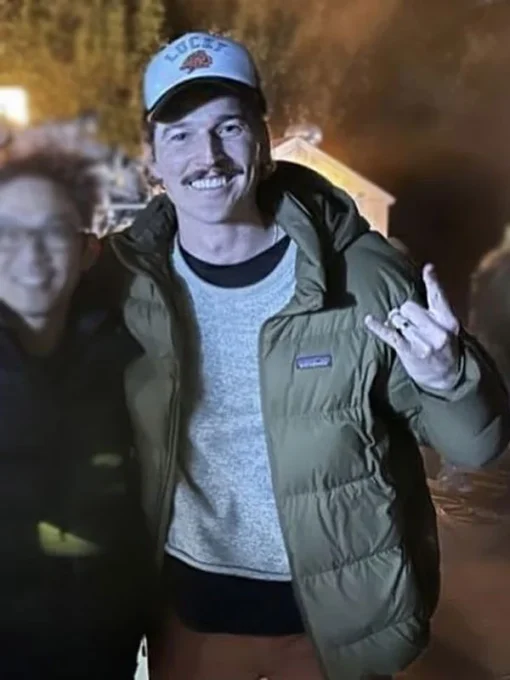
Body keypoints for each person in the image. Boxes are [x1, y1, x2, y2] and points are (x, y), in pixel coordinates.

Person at [110, 31, 510, 680]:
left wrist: (450, 378)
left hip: (331, 628)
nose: (208, 156)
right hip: (191, 618)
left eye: (229, 127)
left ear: (263, 141)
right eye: (180, 135)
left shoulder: (363, 277)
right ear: (152, 158)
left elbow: (477, 448)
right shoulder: (129, 286)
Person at [0, 149, 151, 678]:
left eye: (54, 231)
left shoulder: (129, 357)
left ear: (89, 249)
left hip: (100, 654)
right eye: (9, 232)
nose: (32, 253)